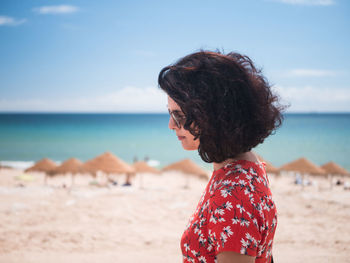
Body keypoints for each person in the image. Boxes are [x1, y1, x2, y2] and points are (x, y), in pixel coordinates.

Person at [158, 50, 284, 263]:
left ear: (211, 115)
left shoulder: (233, 198)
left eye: (178, 115)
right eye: (170, 114)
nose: (171, 125)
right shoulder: (250, 166)